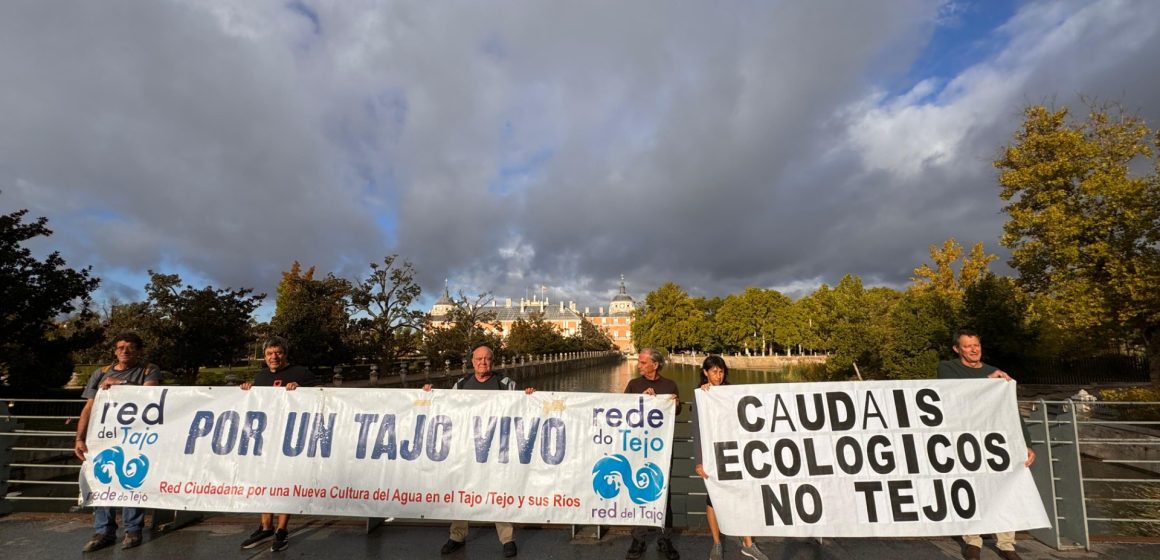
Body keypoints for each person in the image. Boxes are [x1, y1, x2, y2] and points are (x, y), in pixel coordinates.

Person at [423, 345, 534, 558]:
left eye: (487, 359)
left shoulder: (505, 384)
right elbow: (445, 405)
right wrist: (431, 394)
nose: (483, 363)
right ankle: (457, 535)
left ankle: (507, 539)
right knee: (462, 491)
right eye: (479, 359)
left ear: (493, 362)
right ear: (472, 362)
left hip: (496, 450)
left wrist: (529, 395)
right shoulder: (462, 384)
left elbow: (523, 407)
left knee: (498, 492)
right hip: (467, 450)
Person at [938, 329, 1035, 560]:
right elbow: (954, 393)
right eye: (967, 346)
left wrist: (1026, 443)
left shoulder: (995, 372)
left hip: (996, 439)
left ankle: (1006, 544)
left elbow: (1010, 409)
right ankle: (973, 540)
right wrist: (986, 382)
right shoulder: (948, 368)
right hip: (966, 438)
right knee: (971, 488)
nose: (973, 350)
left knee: (1005, 488)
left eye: (976, 345)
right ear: (957, 349)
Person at [74, 332, 163, 552]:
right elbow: (89, 407)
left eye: (130, 347)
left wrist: (119, 384)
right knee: (101, 479)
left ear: (139, 351)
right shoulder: (101, 373)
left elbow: (149, 396)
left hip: (136, 436)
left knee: (133, 479)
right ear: (115, 350)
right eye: (120, 347)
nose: (125, 351)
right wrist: (79, 437)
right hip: (103, 436)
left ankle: (133, 530)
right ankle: (104, 531)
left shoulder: (148, 370)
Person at [237, 337, 316, 552]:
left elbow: (321, 397)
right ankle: (265, 527)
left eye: (278, 353)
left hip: (290, 439)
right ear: (264, 356)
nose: (274, 357)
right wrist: (248, 390)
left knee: (285, 482)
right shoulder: (261, 377)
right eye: (270, 353)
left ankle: (282, 529)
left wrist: (301, 390)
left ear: (285, 354)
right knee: (264, 481)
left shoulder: (301, 373)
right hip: (265, 438)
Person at [693, 356, 768, 560]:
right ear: (705, 372)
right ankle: (717, 543)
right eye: (714, 371)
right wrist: (699, 460)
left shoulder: (731, 392)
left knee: (741, 495)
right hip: (712, 455)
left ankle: (748, 543)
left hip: (734, 452)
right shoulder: (702, 395)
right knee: (713, 500)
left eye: (722, 371)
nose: (719, 375)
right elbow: (697, 430)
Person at [623, 348, 681, 560]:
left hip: (662, 448)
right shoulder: (633, 385)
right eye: (639, 362)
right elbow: (623, 413)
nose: (638, 365)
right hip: (638, 447)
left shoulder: (670, 385)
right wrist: (641, 400)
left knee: (664, 491)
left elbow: (676, 411)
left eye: (642, 361)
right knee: (636, 491)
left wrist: (673, 404)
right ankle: (638, 538)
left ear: (655, 364)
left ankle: (665, 538)